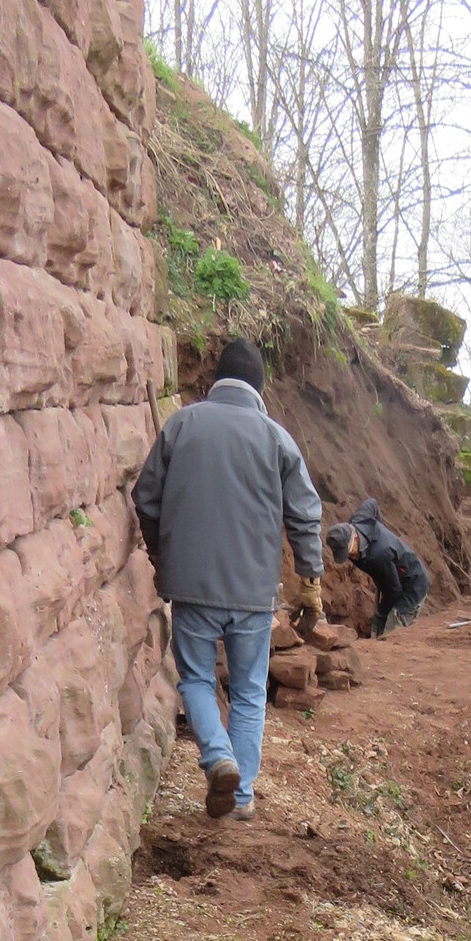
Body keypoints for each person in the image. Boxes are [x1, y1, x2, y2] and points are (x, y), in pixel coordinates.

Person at [132, 337, 324, 820]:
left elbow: (146, 498)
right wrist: (310, 580)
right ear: (259, 388)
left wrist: (160, 555)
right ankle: (240, 797)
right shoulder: (277, 439)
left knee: (196, 679)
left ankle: (219, 757)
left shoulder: (182, 424)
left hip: (191, 586)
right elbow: (305, 515)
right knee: (249, 691)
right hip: (253, 593)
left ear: (217, 380)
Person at [325, 500, 429, 635]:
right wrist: (381, 528)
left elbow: (394, 591)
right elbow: (372, 503)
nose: (350, 557)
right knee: (381, 619)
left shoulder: (379, 556)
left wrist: (381, 612)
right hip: (392, 575)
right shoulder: (358, 520)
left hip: (414, 584)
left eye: (348, 552)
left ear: (355, 538)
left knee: (393, 629)